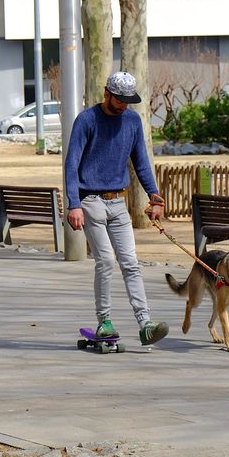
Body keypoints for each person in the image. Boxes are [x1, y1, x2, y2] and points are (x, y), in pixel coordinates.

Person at [65, 71, 170, 346]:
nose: (123, 105)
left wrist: (155, 196)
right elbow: (71, 164)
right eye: (119, 100)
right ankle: (105, 322)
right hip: (90, 201)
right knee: (106, 261)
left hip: (117, 202)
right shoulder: (87, 120)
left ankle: (145, 324)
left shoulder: (132, 122)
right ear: (106, 94)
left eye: (127, 101)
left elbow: (142, 163)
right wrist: (74, 204)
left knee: (131, 263)